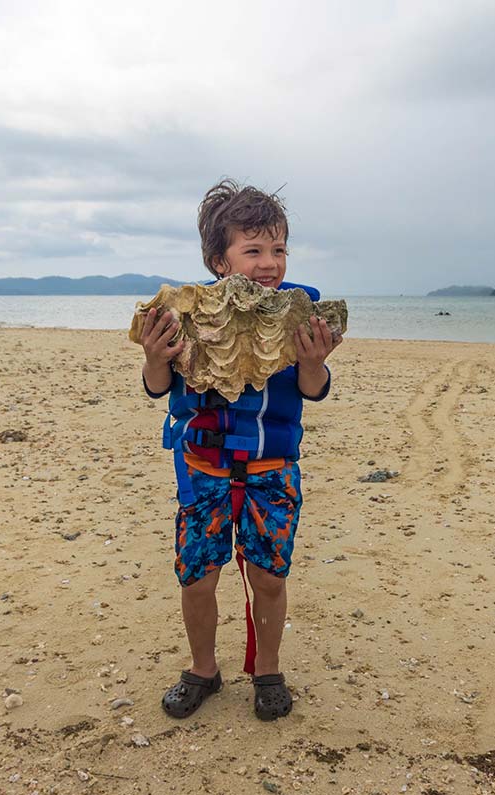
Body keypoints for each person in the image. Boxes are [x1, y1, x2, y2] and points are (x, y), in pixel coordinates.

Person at [137, 179, 342, 721]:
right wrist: (155, 356)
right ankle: (204, 668)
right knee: (198, 577)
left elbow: (312, 389)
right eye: (253, 250)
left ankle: (268, 669)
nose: (270, 263)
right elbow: (159, 387)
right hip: (202, 466)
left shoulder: (300, 311)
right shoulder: (185, 313)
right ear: (218, 260)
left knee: (269, 577)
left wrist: (315, 361)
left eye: (278, 249)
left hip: (271, 465)